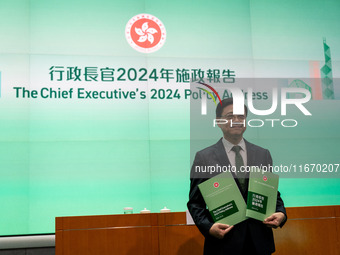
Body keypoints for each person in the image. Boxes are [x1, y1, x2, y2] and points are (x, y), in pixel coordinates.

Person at [187, 98, 287, 255]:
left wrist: (281, 213)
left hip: (259, 243)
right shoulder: (204, 158)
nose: (236, 120)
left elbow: (272, 193)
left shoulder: (262, 154)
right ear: (218, 122)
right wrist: (209, 227)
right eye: (230, 116)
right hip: (223, 244)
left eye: (241, 116)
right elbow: (195, 203)